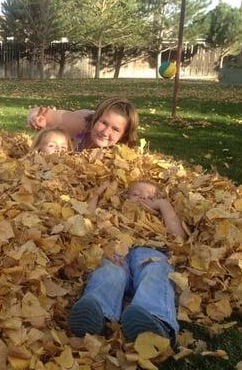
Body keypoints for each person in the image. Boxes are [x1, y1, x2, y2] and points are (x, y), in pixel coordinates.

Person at [68, 181, 186, 344]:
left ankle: (155, 318)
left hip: (148, 250)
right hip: (116, 253)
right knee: (108, 271)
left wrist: (164, 206)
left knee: (156, 269)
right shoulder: (115, 212)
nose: (143, 197)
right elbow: (87, 220)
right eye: (136, 194)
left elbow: (178, 236)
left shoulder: (157, 217)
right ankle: (96, 312)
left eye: (151, 197)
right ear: (125, 198)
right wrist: (97, 195)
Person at [27, 97, 139, 151]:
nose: (105, 132)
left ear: (124, 135)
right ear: (95, 118)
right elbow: (38, 112)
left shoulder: (123, 153)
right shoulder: (80, 122)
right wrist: (35, 119)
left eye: (115, 129)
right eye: (103, 122)